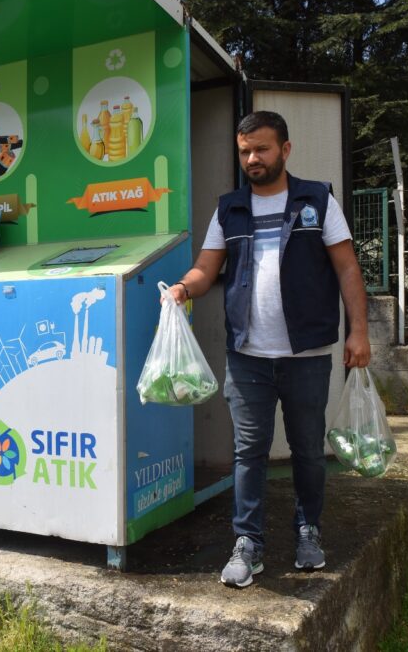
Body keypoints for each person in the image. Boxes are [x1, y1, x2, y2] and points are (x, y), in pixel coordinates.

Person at [165, 110, 370, 588]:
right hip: (247, 356)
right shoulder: (230, 208)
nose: (252, 158)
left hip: (306, 357)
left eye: (261, 149)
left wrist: (358, 331)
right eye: (244, 151)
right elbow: (206, 267)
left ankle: (307, 530)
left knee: (308, 453)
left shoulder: (316, 200)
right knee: (248, 451)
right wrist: (182, 289)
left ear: (285, 149)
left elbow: (347, 268)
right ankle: (248, 542)